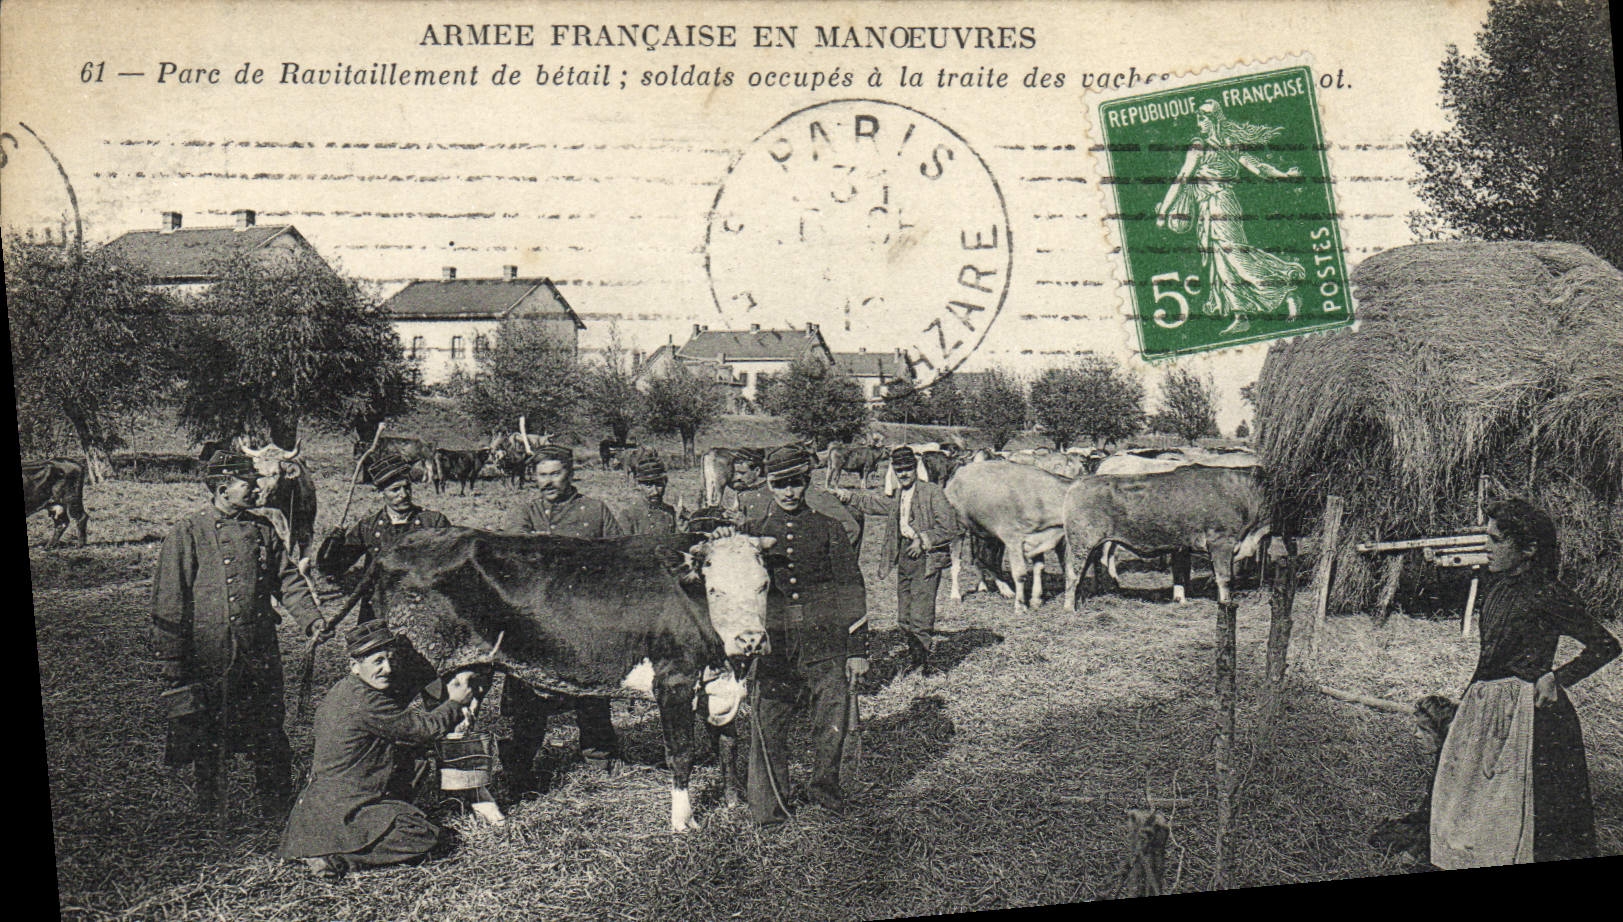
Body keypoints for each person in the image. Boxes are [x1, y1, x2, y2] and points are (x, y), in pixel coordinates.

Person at [1430, 499, 1619, 868]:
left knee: (1532, 816)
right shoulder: (1496, 587)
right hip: (1487, 706)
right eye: (1487, 537)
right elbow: (1489, 656)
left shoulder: (1549, 593)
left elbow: (1606, 645)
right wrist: (1468, 701)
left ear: (1529, 549)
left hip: (1531, 715)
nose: (1487, 546)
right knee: (1470, 796)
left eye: (1497, 540)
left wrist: (1557, 677)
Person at [150, 450, 324, 819]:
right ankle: (212, 812)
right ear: (222, 488)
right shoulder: (188, 532)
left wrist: (311, 619)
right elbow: (169, 602)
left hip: (259, 652)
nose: (258, 488)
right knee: (210, 737)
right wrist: (172, 664)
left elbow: (288, 580)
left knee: (270, 732)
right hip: (210, 656)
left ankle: (277, 809)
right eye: (248, 482)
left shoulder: (262, 528)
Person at [278, 620, 479, 880]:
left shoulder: (347, 690)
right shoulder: (366, 701)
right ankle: (336, 857)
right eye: (378, 661)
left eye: (391, 659)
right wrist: (454, 703)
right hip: (345, 810)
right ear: (354, 665)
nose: (388, 668)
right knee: (425, 836)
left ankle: (335, 844)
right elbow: (423, 729)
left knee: (414, 763)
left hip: (325, 804)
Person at [740, 446, 869, 825]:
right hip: (775, 646)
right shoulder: (755, 534)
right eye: (780, 485)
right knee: (767, 723)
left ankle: (825, 794)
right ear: (768, 485)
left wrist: (857, 648)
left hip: (824, 640)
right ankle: (770, 809)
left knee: (830, 723)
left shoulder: (829, 528)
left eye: (795, 483)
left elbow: (851, 587)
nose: (789, 493)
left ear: (807, 483)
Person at [499, 444, 625, 784]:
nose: (549, 481)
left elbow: (619, 561)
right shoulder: (524, 514)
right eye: (542, 475)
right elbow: (506, 566)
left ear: (570, 473)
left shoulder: (595, 511)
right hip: (534, 620)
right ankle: (519, 763)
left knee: (591, 688)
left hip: (585, 618)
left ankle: (599, 757)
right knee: (526, 692)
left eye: (556, 473)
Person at [1155, 98, 1306, 335]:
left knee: (1235, 256)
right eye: (1198, 118)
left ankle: (1286, 289)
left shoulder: (1207, 146)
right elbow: (1257, 167)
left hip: (1220, 205)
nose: (1199, 122)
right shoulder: (1225, 144)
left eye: (1203, 118)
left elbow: (1183, 178)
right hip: (1212, 207)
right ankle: (1241, 315)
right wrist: (1284, 174)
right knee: (1222, 263)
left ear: (1214, 119)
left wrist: (1164, 211)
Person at [835, 446, 961, 676]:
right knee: (904, 614)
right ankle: (915, 657)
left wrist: (922, 541)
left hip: (926, 557)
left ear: (915, 469)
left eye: (907, 469)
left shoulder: (932, 492)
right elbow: (876, 505)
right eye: (899, 470)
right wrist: (850, 496)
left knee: (920, 614)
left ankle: (923, 665)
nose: (903, 474)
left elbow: (951, 527)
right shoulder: (899, 494)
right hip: (904, 555)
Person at [316, 452, 451, 623]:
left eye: (407, 487)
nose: (403, 494)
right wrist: (334, 541)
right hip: (378, 608)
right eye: (395, 490)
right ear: (381, 493)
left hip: (423, 609)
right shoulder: (368, 527)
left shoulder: (433, 522)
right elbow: (333, 567)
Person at [733, 446, 863, 549]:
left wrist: (823, 555)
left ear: (805, 479)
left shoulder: (815, 497)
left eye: (794, 481)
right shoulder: (773, 495)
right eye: (780, 482)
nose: (788, 491)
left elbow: (851, 528)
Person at [621, 457, 677, 535]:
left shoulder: (671, 512)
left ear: (665, 483)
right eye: (648, 485)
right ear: (638, 485)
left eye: (659, 484)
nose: (655, 491)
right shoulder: (628, 515)